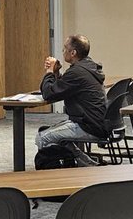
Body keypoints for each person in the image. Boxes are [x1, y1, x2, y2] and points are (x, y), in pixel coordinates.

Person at [35, 34, 107, 168]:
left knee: (43, 137)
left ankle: (49, 178)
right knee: (54, 134)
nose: (63, 52)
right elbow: (65, 87)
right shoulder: (88, 67)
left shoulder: (77, 72)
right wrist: (57, 73)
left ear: (73, 53)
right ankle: (88, 164)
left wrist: (49, 71)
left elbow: (48, 94)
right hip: (96, 122)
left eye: (64, 49)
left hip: (88, 125)